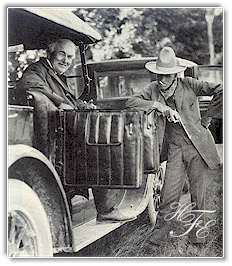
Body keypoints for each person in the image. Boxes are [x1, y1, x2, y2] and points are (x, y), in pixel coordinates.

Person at [17, 38, 136, 222]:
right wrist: (60, 102)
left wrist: (82, 106)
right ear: (50, 52)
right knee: (100, 144)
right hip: (53, 135)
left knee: (100, 134)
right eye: (62, 54)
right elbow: (28, 85)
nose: (66, 60)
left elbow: (68, 101)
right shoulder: (37, 69)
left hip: (63, 130)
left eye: (70, 57)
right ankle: (106, 209)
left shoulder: (56, 74)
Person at [126, 46, 222, 244]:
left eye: (167, 75)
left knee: (199, 195)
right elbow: (130, 102)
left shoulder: (189, 84)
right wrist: (158, 106)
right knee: (169, 194)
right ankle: (159, 238)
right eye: (159, 75)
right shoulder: (152, 89)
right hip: (174, 149)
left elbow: (221, 89)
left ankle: (199, 236)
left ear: (176, 75)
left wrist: (208, 117)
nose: (162, 80)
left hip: (198, 147)